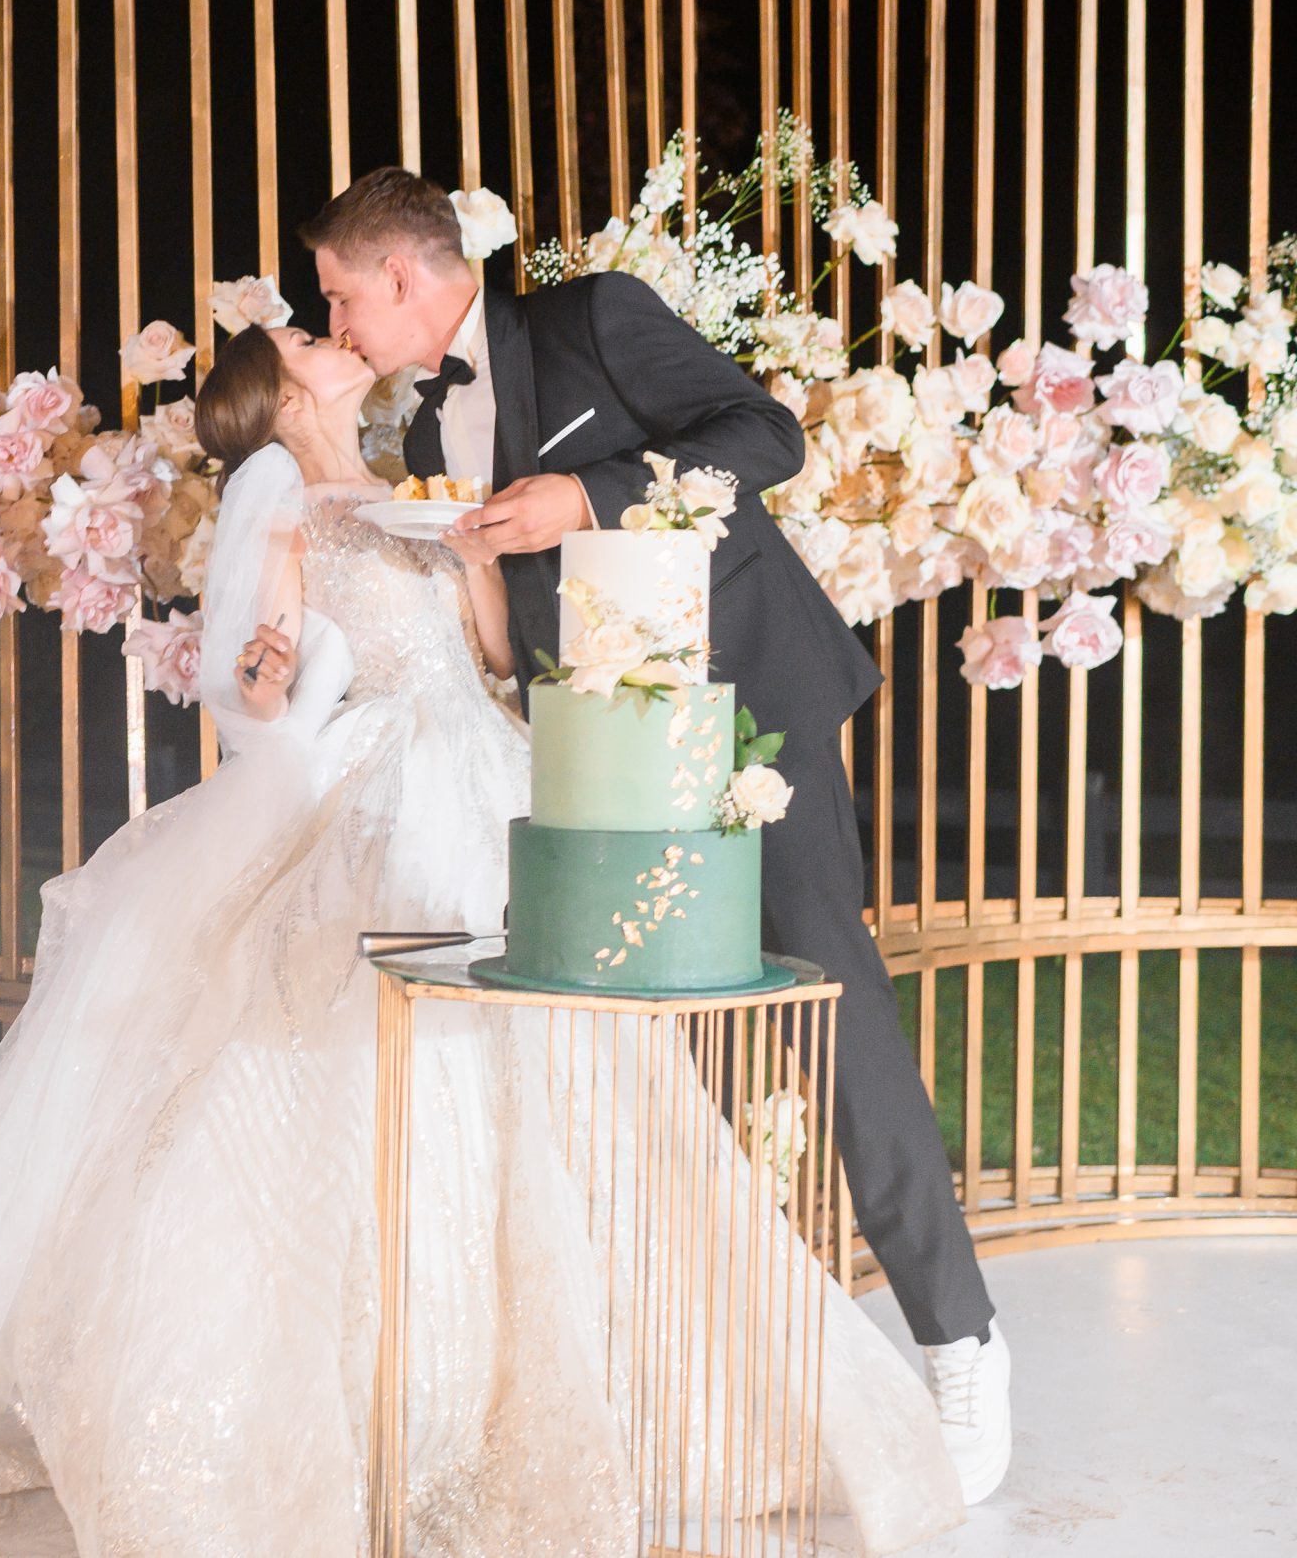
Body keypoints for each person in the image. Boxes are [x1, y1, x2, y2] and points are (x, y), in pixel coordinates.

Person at [0, 323, 965, 1555]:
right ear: (283, 386)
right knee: (347, 1069)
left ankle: (540, 1389)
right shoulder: (279, 497)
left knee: (552, 1059)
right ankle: (357, 1410)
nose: (334, 334)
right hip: (384, 781)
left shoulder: (413, 486)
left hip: (492, 773)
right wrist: (259, 676)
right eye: (310, 336)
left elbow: (503, 661)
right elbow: (253, 683)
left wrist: (467, 562)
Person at [304, 164, 1013, 1506]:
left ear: (403, 277)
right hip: (598, 754)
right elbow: (514, 636)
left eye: (341, 293)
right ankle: (736, 1363)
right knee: (658, 1051)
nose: (334, 319)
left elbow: (768, 435)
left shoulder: (592, 320)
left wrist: (587, 496)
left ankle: (958, 1334)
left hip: (752, 706)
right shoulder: (430, 433)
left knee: (825, 989)